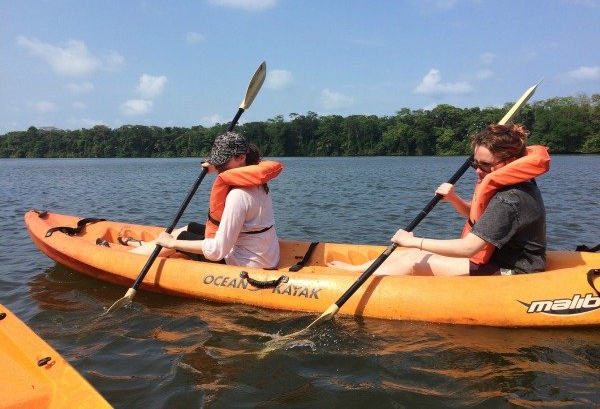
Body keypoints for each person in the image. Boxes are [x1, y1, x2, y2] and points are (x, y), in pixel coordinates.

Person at [328, 123, 550, 276]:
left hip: (512, 271)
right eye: (475, 163)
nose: (478, 171)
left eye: (485, 165)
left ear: (510, 160)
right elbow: (478, 216)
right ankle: (358, 270)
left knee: (410, 258)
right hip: (495, 259)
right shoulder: (516, 184)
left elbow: (468, 249)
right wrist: (454, 199)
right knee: (412, 253)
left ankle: (351, 277)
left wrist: (414, 240)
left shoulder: (510, 199)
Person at [126, 132, 283, 269]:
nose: (218, 166)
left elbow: (217, 251)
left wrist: (172, 243)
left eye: (222, 161)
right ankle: (142, 246)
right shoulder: (257, 182)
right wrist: (217, 166)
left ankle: (131, 257)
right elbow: (232, 170)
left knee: (180, 238)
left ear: (241, 157)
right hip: (264, 252)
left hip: (248, 261)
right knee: (191, 227)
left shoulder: (239, 195)